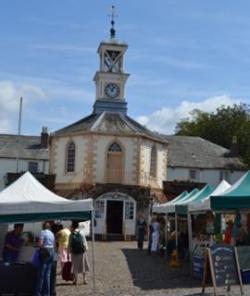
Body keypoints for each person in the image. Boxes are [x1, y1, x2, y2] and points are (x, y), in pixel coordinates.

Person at [36, 221, 55, 296]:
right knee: (47, 274)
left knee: (41, 274)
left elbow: (40, 244)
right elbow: (54, 244)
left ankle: (38, 293)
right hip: (51, 252)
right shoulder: (52, 233)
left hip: (45, 252)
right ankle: (47, 293)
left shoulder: (42, 232)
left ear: (43, 227)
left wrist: (38, 245)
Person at [68, 220, 89, 285]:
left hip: (74, 252)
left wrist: (69, 252)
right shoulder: (82, 233)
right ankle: (84, 279)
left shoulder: (71, 234)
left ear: (72, 226)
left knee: (75, 266)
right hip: (82, 252)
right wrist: (86, 249)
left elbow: (69, 244)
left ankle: (76, 280)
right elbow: (84, 242)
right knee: (83, 266)